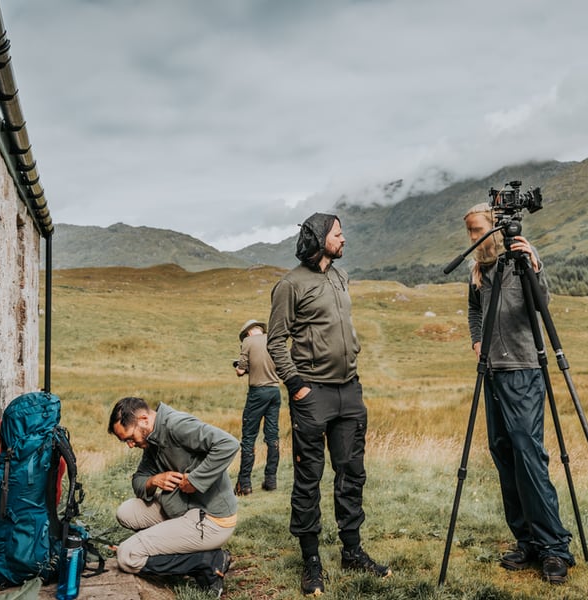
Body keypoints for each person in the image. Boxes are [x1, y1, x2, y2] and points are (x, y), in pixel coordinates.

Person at [267, 212, 391, 596]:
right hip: (312, 393)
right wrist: (297, 386)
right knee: (309, 478)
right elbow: (275, 341)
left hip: (349, 391)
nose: (344, 239)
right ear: (321, 238)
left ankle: (352, 551)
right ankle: (311, 560)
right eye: (338, 234)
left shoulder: (340, 276)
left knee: (351, 472)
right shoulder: (290, 285)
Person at [464, 203, 575, 584]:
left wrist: (535, 267)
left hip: (524, 370)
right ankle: (526, 540)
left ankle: (554, 548)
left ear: (495, 228)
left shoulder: (521, 259)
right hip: (492, 372)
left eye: (477, 229)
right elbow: (474, 310)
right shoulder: (479, 269)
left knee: (529, 457)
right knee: (504, 454)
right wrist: (477, 340)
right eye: (469, 231)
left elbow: (542, 304)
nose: (472, 237)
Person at [107, 397, 239, 596]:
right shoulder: (152, 439)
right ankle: (178, 547)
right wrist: (154, 481)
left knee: (127, 555)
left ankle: (208, 562)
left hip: (212, 519)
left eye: (130, 438)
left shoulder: (177, 426)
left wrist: (195, 480)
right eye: (125, 441)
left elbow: (228, 444)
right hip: (181, 508)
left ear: (143, 420)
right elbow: (139, 480)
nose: (130, 445)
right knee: (126, 512)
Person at [233, 318, 282, 495]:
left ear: (247, 332)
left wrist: (239, 368)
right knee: (272, 436)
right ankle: (271, 480)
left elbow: (240, 370)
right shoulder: (273, 339)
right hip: (275, 391)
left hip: (257, 393)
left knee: (249, 437)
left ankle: (244, 484)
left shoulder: (248, 342)